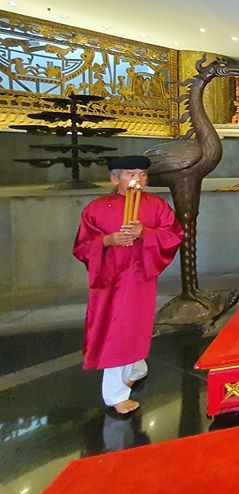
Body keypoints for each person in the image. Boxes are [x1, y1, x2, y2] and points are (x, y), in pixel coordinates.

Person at [73, 156, 183, 415]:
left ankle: (135, 367)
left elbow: (173, 235)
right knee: (115, 331)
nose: (138, 180)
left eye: (143, 174)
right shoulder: (96, 208)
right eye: (131, 174)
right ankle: (115, 395)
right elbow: (81, 247)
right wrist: (108, 240)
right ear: (115, 178)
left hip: (139, 277)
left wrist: (145, 233)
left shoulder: (156, 206)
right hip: (109, 279)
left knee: (135, 326)